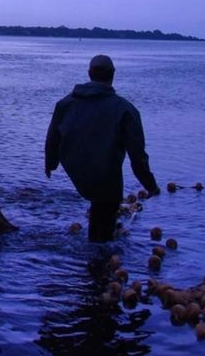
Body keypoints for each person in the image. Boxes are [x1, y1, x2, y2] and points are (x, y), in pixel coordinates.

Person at [45, 54, 160, 242]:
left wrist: (50, 163)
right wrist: (151, 186)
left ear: (89, 74)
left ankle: (94, 255)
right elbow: (137, 157)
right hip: (107, 177)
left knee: (98, 213)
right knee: (103, 232)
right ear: (113, 75)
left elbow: (53, 137)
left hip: (77, 170)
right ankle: (98, 263)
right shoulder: (125, 110)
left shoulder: (65, 103)